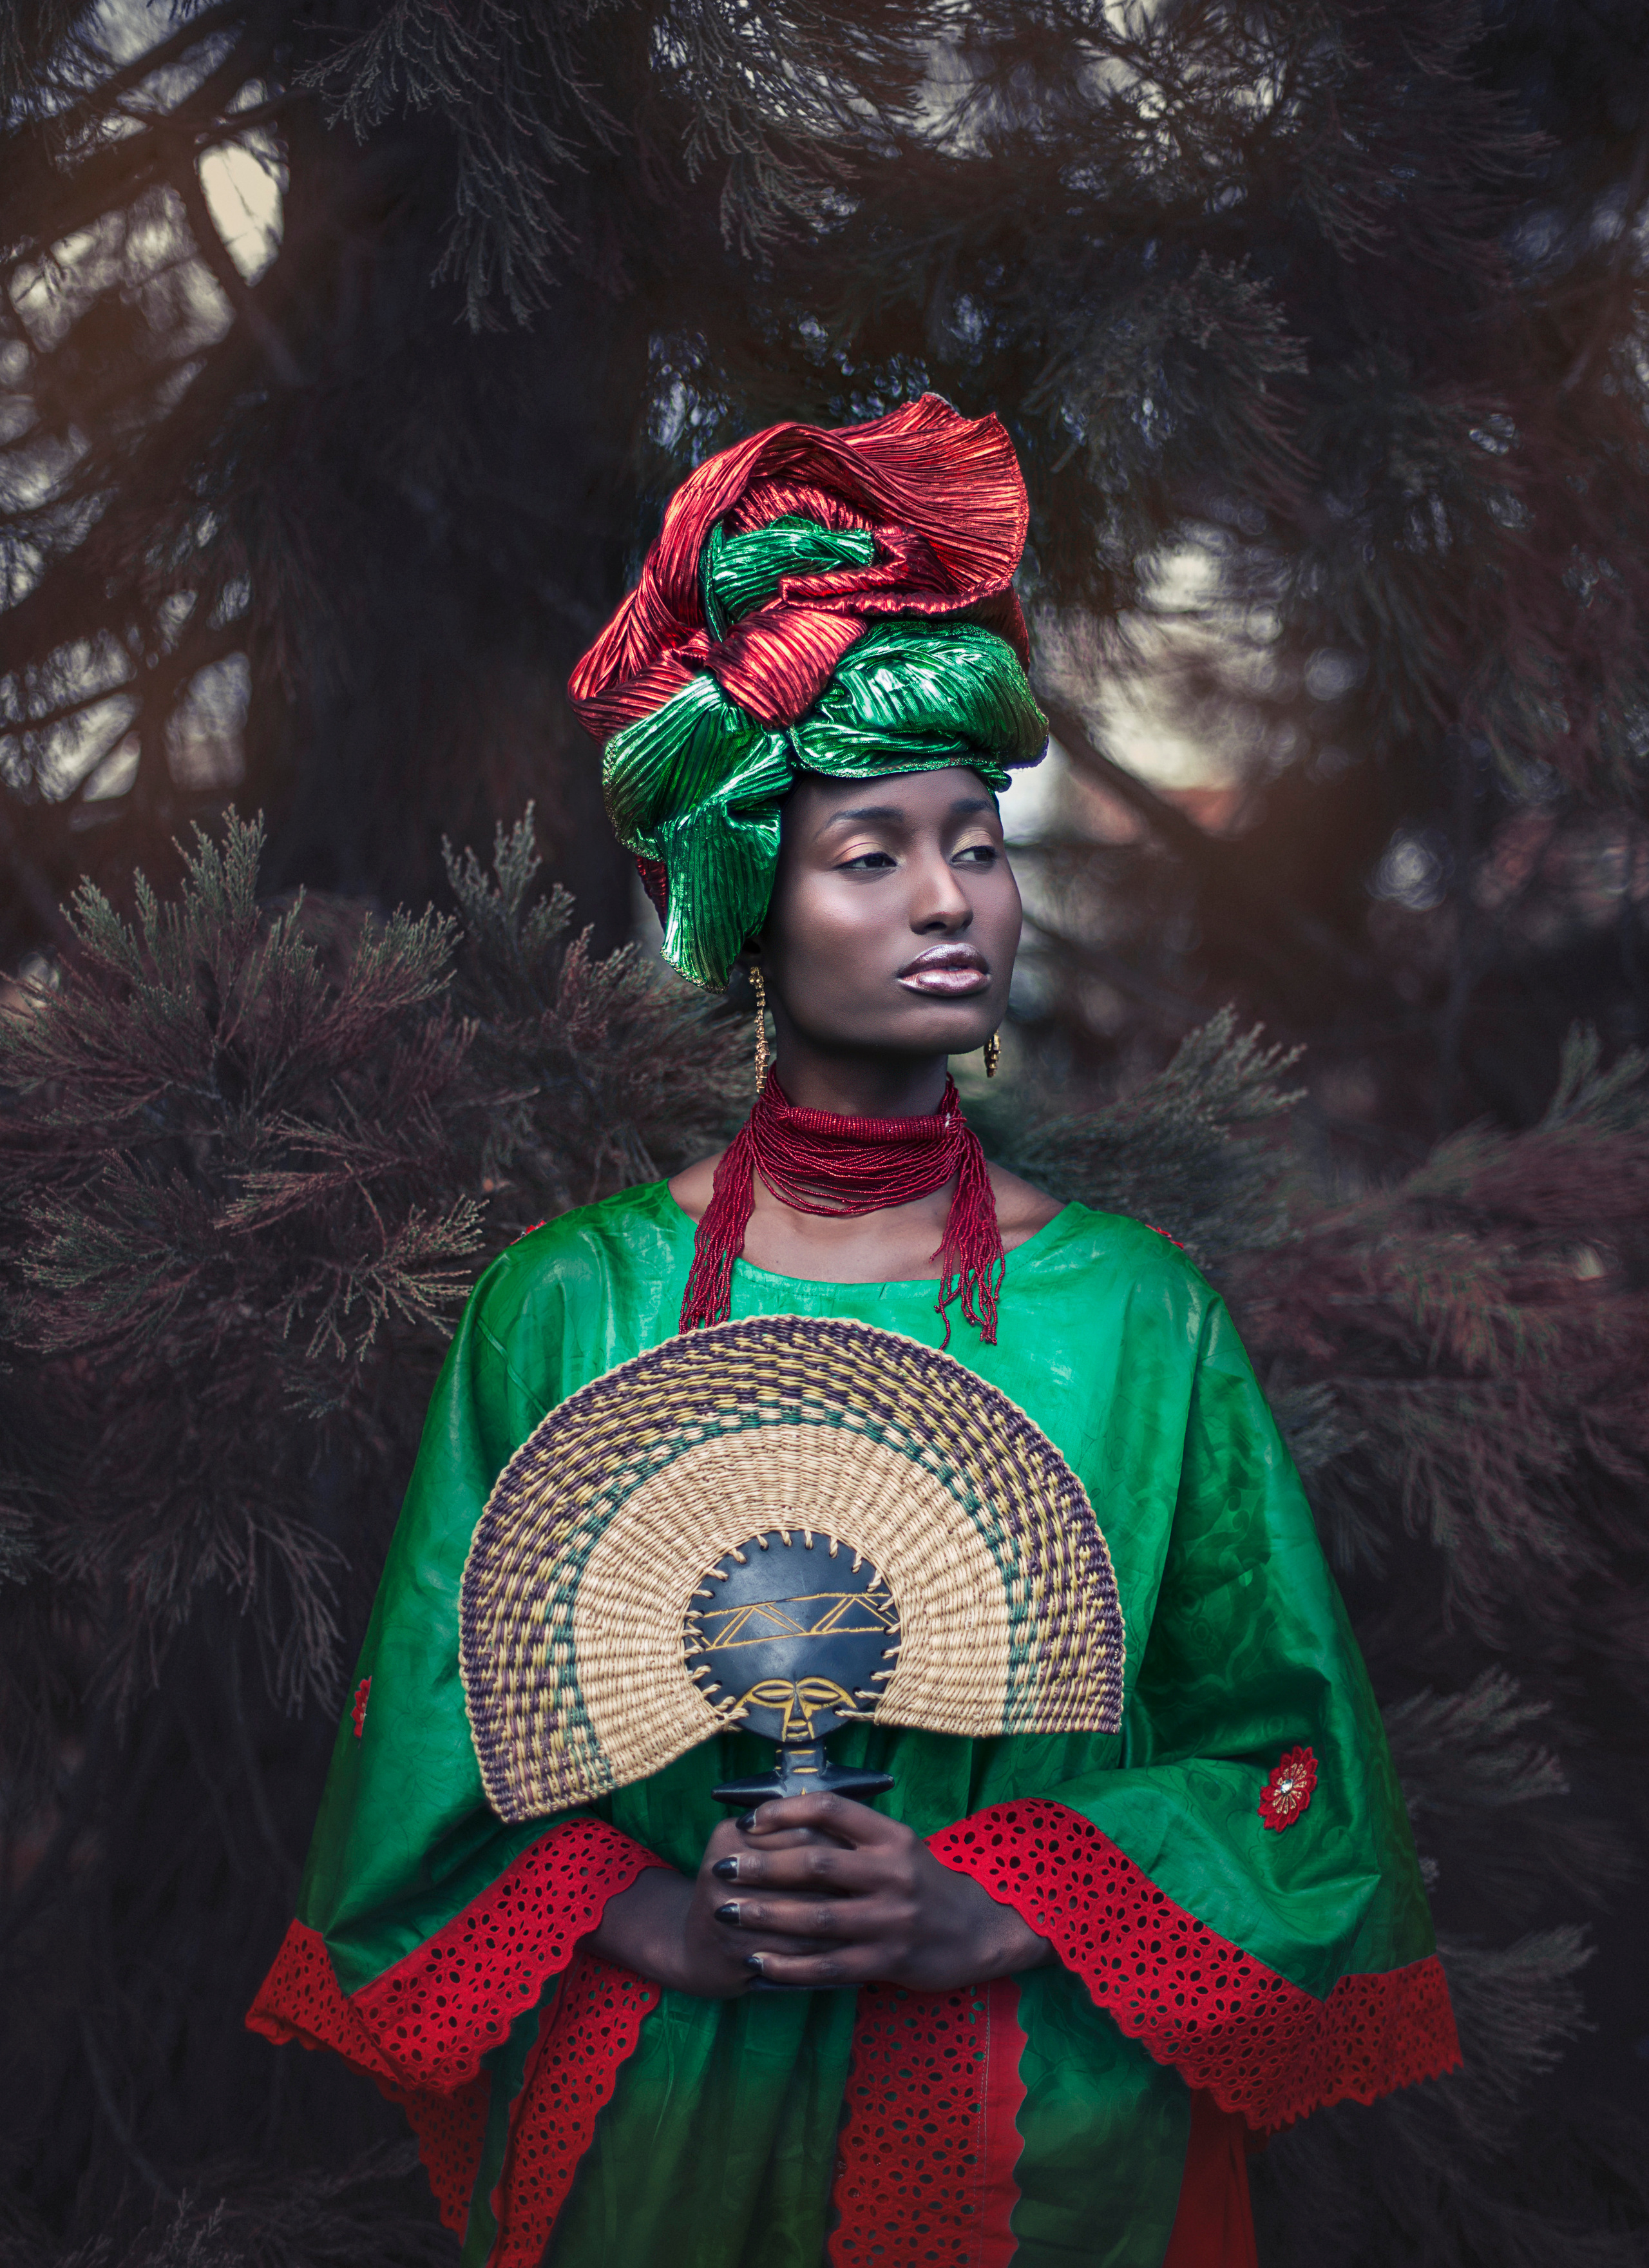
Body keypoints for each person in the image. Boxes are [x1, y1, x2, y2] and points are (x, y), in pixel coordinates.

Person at [249, 396, 1458, 2268]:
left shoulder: (1139, 1319)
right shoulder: (568, 1306)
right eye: (869, 852)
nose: (948, 901)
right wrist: (652, 1916)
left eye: (977, 845)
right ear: (746, 902)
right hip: (664, 2135)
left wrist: (1001, 1901)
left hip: (1042, 2145)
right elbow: (425, 1770)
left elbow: (1294, 1777)